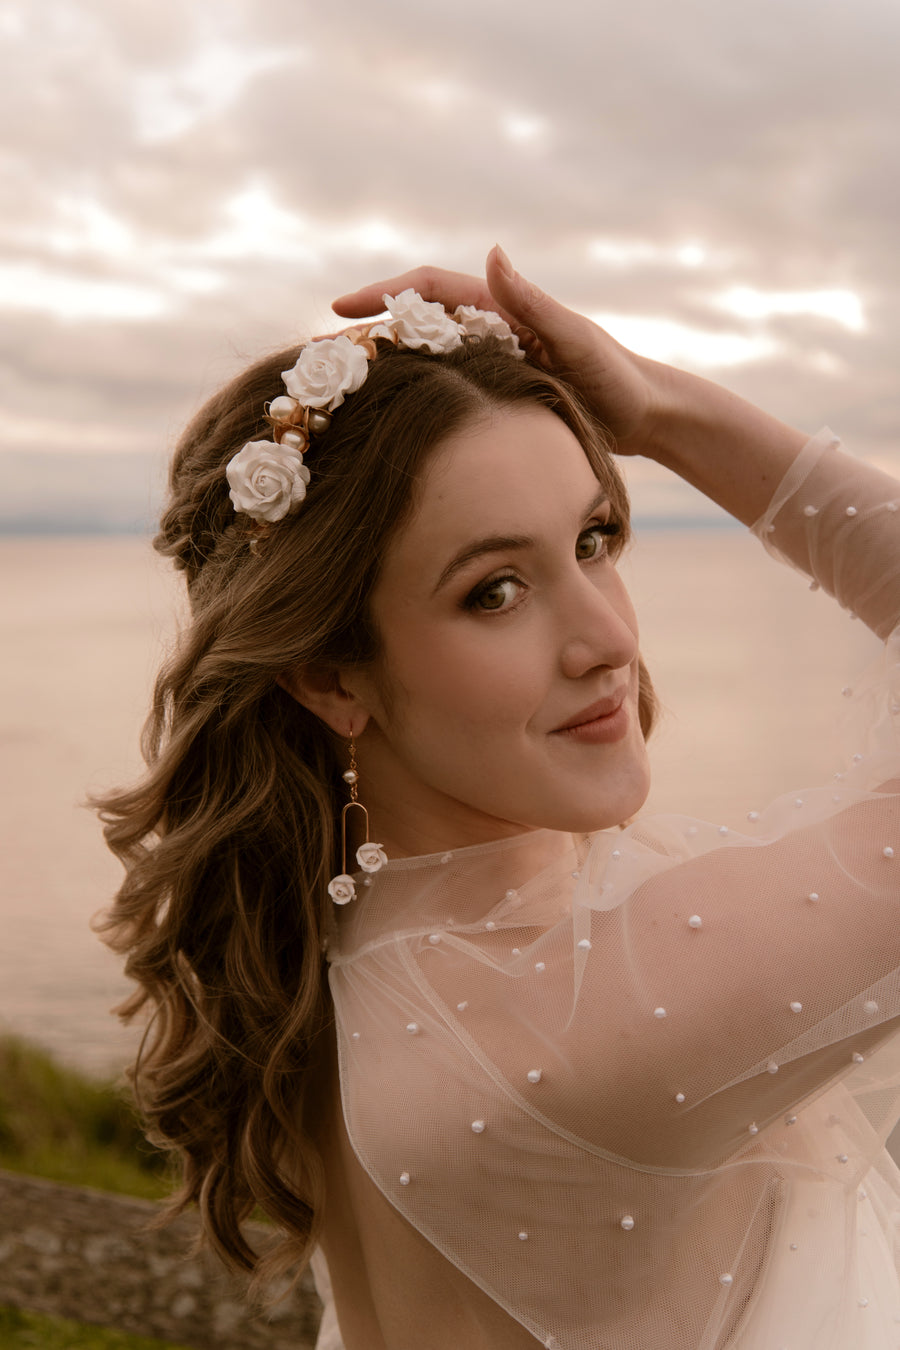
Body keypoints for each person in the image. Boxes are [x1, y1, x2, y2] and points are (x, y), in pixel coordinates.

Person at [96, 246, 900, 1350]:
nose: (610, 638)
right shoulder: (582, 1013)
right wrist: (660, 409)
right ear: (330, 676)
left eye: (595, 540)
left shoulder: (320, 958)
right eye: (496, 590)